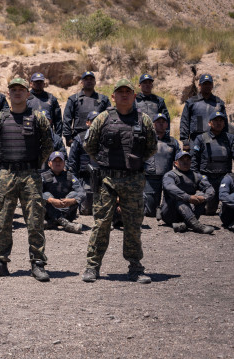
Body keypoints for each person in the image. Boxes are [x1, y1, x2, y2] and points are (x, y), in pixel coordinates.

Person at [81, 78, 157, 284]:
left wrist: (133, 163)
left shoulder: (144, 120)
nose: (124, 95)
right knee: (101, 224)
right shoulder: (103, 118)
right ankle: (92, 266)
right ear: (113, 97)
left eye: (128, 92)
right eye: (120, 92)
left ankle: (135, 267)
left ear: (134, 96)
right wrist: (105, 162)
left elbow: (151, 148)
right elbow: (89, 145)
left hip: (133, 180)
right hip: (107, 179)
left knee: (133, 225)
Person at [0, 77, 53, 282]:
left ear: (28, 93)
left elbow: (48, 145)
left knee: (35, 221)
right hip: (7, 174)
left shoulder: (38, 118)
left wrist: (33, 163)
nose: (18, 92)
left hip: (31, 174)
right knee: (2, 219)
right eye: (13, 89)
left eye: (21, 89)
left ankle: (37, 263)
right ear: (8, 94)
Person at [191, 111, 233, 215]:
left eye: (221, 121)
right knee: (208, 210)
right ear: (210, 123)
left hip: (224, 177)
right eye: (215, 120)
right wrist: (196, 177)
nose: (219, 123)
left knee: (227, 203)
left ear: (224, 123)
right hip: (207, 177)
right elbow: (194, 159)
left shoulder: (230, 138)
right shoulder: (201, 138)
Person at [161, 151, 215, 234]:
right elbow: (169, 187)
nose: (185, 162)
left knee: (201, 195)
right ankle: (196, 226)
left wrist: (204, 198)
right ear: (175, 163)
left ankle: (185, 224)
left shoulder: (196, 176)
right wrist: (188, 197)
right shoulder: (170, 175)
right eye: (182, 160)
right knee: (180, 198)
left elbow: (210, 189)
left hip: (186, 212)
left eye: (188, 160)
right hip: (170, 213)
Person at [143, 113, 180, 217]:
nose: (161, 124)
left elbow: (179, 159)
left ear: (167, 125)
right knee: (150, 213)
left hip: (167, 178)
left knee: (169, 211)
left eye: (163, 122)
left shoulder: (173, 142)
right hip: (150, 178)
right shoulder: (146, 140)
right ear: (153, 124)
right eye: (158, 122)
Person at [62, 71, 111, 146]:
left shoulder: (103, 99)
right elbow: (67, 119)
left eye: (91, 79)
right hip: (78, 138)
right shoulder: (73, 99)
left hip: (99, 139)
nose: (89, 81)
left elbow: (109, 118)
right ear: (81, 82)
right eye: (86, 79)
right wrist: (68, 137)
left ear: (95, 82)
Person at [180, 74, 227, 148]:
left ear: (212, 86)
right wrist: (185, 140)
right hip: (196, 140)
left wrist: (225, 140)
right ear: (199, 86)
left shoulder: (219, 103)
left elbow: (225, 123)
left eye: (209, 84)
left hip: (216, 140)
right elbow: (185, 121)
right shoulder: (191, 102)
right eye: (205, 84)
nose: (207, 86)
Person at [42, 151, 85, 234]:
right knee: (46, 194)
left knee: (74, 194)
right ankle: (65, 224)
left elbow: (82, 192)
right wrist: (50, 200)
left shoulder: (70, 176)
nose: (58, 163)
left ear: (64, 163)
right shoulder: (43, 176)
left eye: (60, 161)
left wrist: (72, 201)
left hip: (67, 211)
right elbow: (36, 192)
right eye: (55, 161)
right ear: (49, 163)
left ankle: (53, 222)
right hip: (49, 211)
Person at [67, 111, 100, 215]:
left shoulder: (106, 137)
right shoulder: (79, 138)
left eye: (98, 121)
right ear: (87, 123)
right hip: (85, 178)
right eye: (93, 121)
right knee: (86, 211)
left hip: (102, 178)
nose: (95, 123)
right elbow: (72, 161)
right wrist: (74, 182)